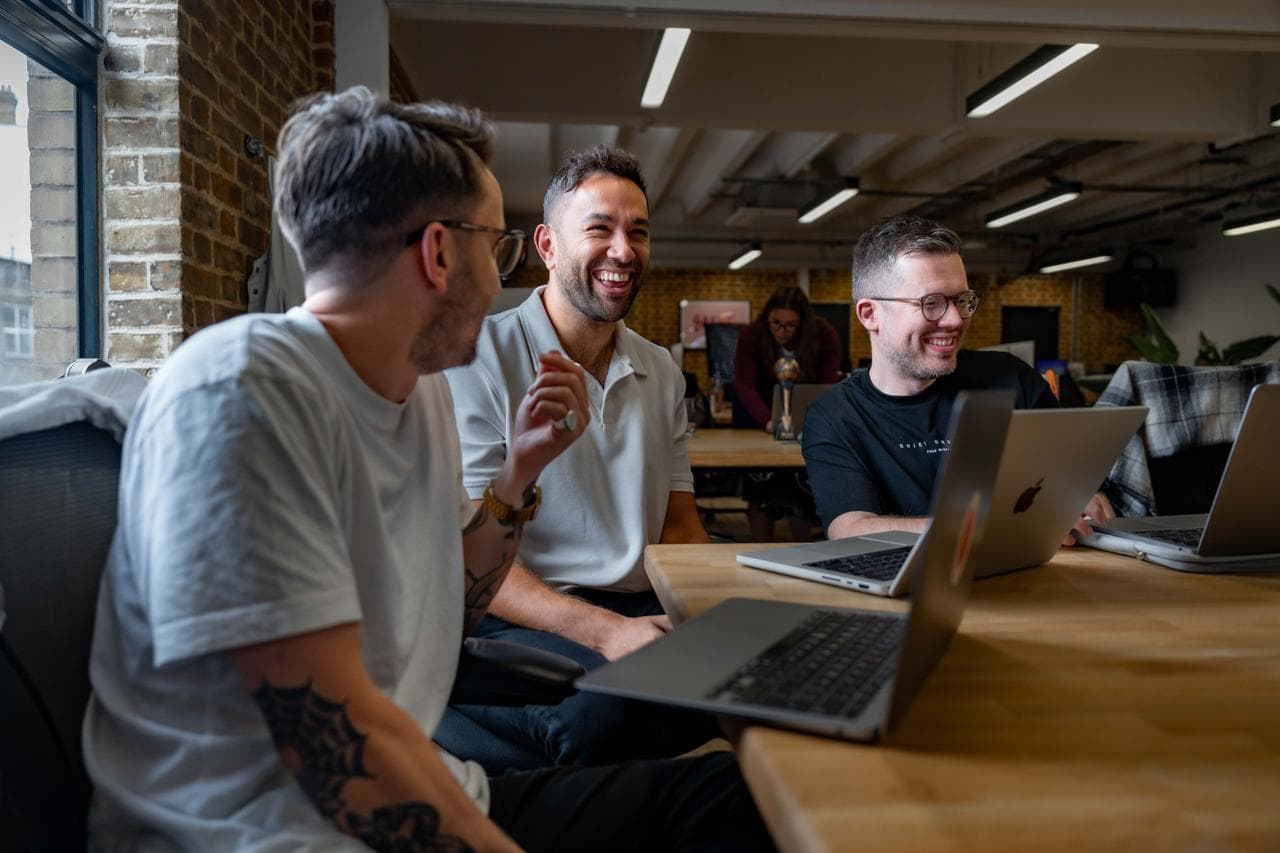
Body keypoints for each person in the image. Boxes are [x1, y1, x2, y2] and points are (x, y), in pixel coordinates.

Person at [82, 88, 771, 852]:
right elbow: (328, 747)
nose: (500, 275)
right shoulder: (241, 394)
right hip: (274, 832)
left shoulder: (415, 391)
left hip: (420, 786)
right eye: (497, 246)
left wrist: (515, 478)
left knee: (746, 799)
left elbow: (459, 602)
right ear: (440, 252)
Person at [438, 145, 719, 773]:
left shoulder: (661, 369)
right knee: (609, 712)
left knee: (759, 681)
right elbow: (474, 558)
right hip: (524, 610)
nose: (623, 250)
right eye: (599, 229)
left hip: (638, 601)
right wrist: (604, 633)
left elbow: (679, 527)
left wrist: (725, 611)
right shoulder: (477, 358)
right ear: (547, 245)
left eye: (638, 232)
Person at [802, 214, 1112, 542]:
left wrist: (1090, 504)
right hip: (904, 586)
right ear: (870, 315)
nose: (954, 320)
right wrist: (987, 525)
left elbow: (1079, 487)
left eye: (961, 300)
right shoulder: (834, 416)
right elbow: (850, 529)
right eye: (931, 303)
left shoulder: (1011, 379)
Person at [733, 286, 840, 541]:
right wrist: (768, 420)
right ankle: (759, 548)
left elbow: (826, 384)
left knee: (802, 491)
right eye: (776, 324)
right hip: (758, 418)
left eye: (791, 326)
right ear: (767, 319)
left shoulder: (823, 334)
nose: (782, 331)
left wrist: (813, 422)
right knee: (758, 489)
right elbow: (744, 384)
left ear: (803, 324)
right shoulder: (752, 335)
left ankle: (801, 549)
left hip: (805, 420)